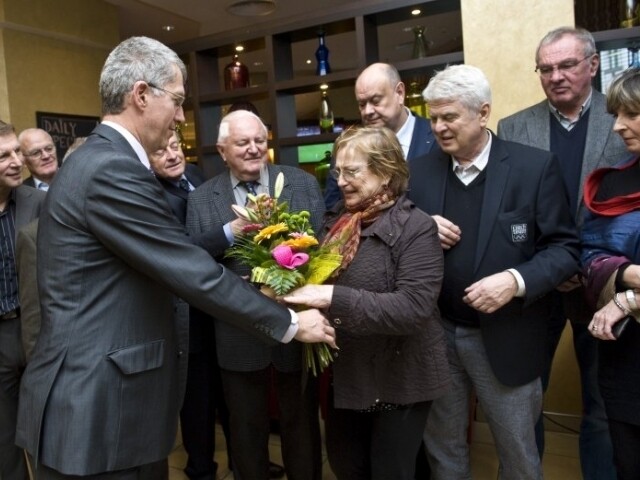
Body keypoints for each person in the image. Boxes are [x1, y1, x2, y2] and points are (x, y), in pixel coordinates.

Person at [14, 36, 335, 480]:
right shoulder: (111, 168)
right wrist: (291, 323)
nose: (181, 117)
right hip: (97, 406)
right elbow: (188, 269)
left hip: (102, 402)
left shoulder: (96, 159)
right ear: (142, 95)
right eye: (178, 101)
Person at [410, 64, 580, 479]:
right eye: (433, 117)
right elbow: (393, 234)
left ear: (483, 113)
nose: (438, 127)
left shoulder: (534, 167)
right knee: (444, 452)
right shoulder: (419, 172)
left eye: (449, 116)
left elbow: (565, 249)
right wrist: (420, 227)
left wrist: (515, 281)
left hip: (507, 337)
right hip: (438, 335)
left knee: (518, 453)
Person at [284, 126, 450, 480]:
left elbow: (413, 309)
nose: (341, 181)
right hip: (348, 377)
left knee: (391, 470)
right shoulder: (336, 224)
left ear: (386, 172)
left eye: (353, 171)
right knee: (347, 466)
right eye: (338, 172)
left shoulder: (416, 228)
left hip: (399, 378)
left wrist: (329, 297)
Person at [497, 27, 626, 478]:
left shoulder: (622, 121)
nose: (556, 76)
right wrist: (552, 265)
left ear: (592, 65)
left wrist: (583, 262)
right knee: (525, 398)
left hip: (606, 283)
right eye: (546, 68)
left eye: (566, 65)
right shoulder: (514, 127)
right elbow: (510, 209)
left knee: (602, 400)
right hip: (539, 284)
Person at [186, 109, 325, 480]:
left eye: (259, 141)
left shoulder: (301, 184)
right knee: (246, 432)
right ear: (222, 150)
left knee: (303, 429)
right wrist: (232, 230)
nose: (253, 149)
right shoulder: (201, 199)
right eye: (242, 143)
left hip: (298, 327)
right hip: (237, 332)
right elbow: (193, 260)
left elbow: (324, 249)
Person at [580, 67, 640, 480]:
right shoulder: (612, 185)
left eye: (630, 114)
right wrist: (629, 276)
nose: (617, 126)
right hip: (627, 357)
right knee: (628, 462)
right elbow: (592, 256)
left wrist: (627, 299)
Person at [323, 62, 435, 209]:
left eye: (376, 101)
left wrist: (426, 224)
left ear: (400, 93)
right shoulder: (348, 147)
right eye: (362, 104)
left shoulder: (437, 137)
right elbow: (333, 209)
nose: (368, 111)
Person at [0, 120, 46, 480]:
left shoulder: (40, 203)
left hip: (38, 331)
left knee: (47, 431)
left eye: (17, 151)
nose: (17, 160)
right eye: (5, 155)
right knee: (5, 443)